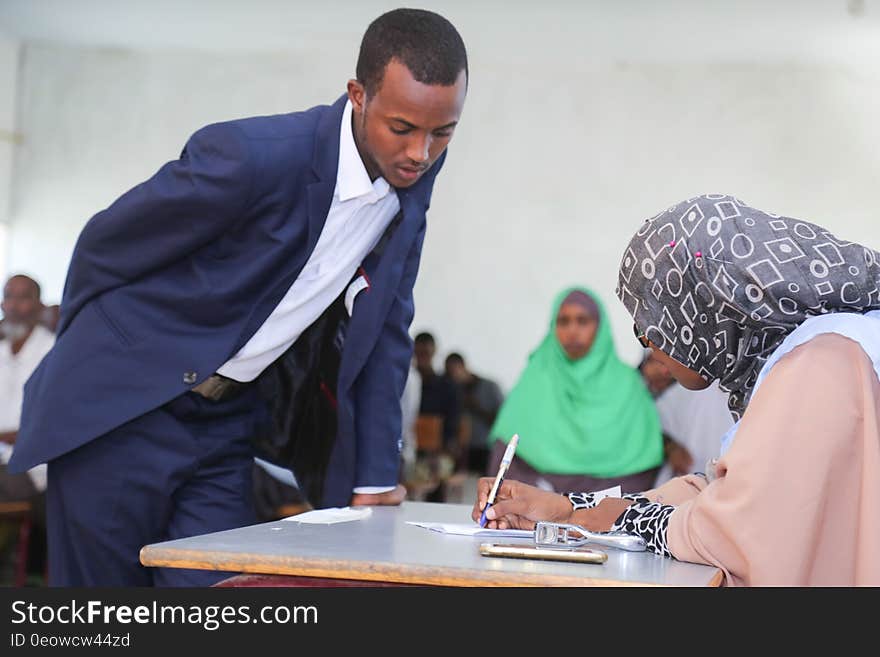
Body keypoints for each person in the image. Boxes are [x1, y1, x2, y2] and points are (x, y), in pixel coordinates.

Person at [9, 8, 469, 586]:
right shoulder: (253, 155)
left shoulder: (412, 182)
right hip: (126, 416)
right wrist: (105, 370)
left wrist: (376, 478)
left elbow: (385, 332)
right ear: (357, 95)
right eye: (402, 127)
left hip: (228, 424)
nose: (420, 153)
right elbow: (105, 248)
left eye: (442, 131)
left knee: (222, 602)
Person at [473, 194, 880, 586]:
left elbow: (738, 532)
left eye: (650, 320)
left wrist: (604, 518)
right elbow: (719, 494)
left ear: (704, 307)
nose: (646, 342)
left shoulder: (824, 362)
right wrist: (567, 509)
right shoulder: (792, 361)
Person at [485, 287, 664, 494]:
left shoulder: (629, 385)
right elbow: (505, 459)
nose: (572, 331)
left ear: (600, 326)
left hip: (608, 512)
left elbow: (642, 464)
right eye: (563, 321)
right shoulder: (534, 380)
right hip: (533, 510)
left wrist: (584, 507)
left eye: (583, 321)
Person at [0, 275, 55, 581]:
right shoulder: (1, 351)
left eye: (24, 297)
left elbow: (47, 424)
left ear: (39, 305)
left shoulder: (53, 350)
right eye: (9, 297)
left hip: (31, 468)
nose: (15, 306)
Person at [639, 349, 734, 486]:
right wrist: (671, 447)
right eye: (654, 361)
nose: (662, 370)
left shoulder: (704, 390)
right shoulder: (648, 397)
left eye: (663, 361)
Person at [444, 352, 503, 474]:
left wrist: (477, 408)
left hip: (486, 449)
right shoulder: (452, 390)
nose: (453, 377)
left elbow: (502, 420)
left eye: (454, 371)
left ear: (463, 366)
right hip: (462, 450)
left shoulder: (490, 387)